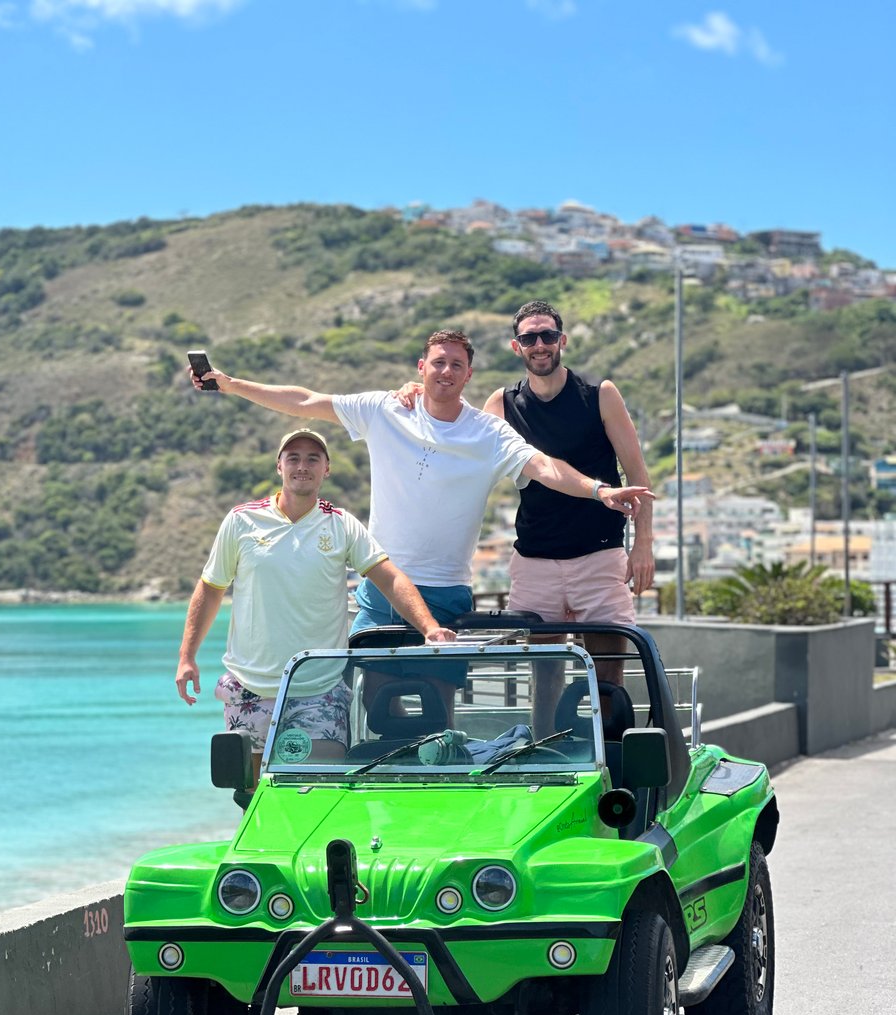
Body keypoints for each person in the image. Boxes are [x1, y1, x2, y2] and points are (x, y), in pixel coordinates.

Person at [189, 330, 651, 641]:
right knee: (368, 707)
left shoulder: (488, 432)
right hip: (380, 586)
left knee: (437, 708)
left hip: (446, 591)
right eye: (438, 363)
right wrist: (231, 384)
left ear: (469, 375)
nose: (446, 371)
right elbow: (307, 400)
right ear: (421, 367)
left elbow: (545, 467)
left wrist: (600, 491)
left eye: (456, 365)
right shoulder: (383, 409)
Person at [175, 427, 455, 789]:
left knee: (319, 792)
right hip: (251, 687)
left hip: (318, 688)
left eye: (313, 458)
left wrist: (429, 628)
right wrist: (187, 656)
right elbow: (211, 588)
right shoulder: (242, 521)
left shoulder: (341, 525)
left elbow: (388, 577)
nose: (302, 466)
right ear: (279, 467)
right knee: (253, 796)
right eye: (293, 458)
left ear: (327, 469)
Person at [485, 300, 655, 734]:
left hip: (598, 555)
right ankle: (546, 756)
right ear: (516, 346)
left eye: (547, 336)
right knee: (543, 679)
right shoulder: (502, 404)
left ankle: (610, 765)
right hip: (535, 559)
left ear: (562, 341)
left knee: (608, 679)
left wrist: (643, 545)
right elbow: (460, 448)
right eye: (529, 337)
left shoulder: (600, 395)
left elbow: (637, 476)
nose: (539, 345)